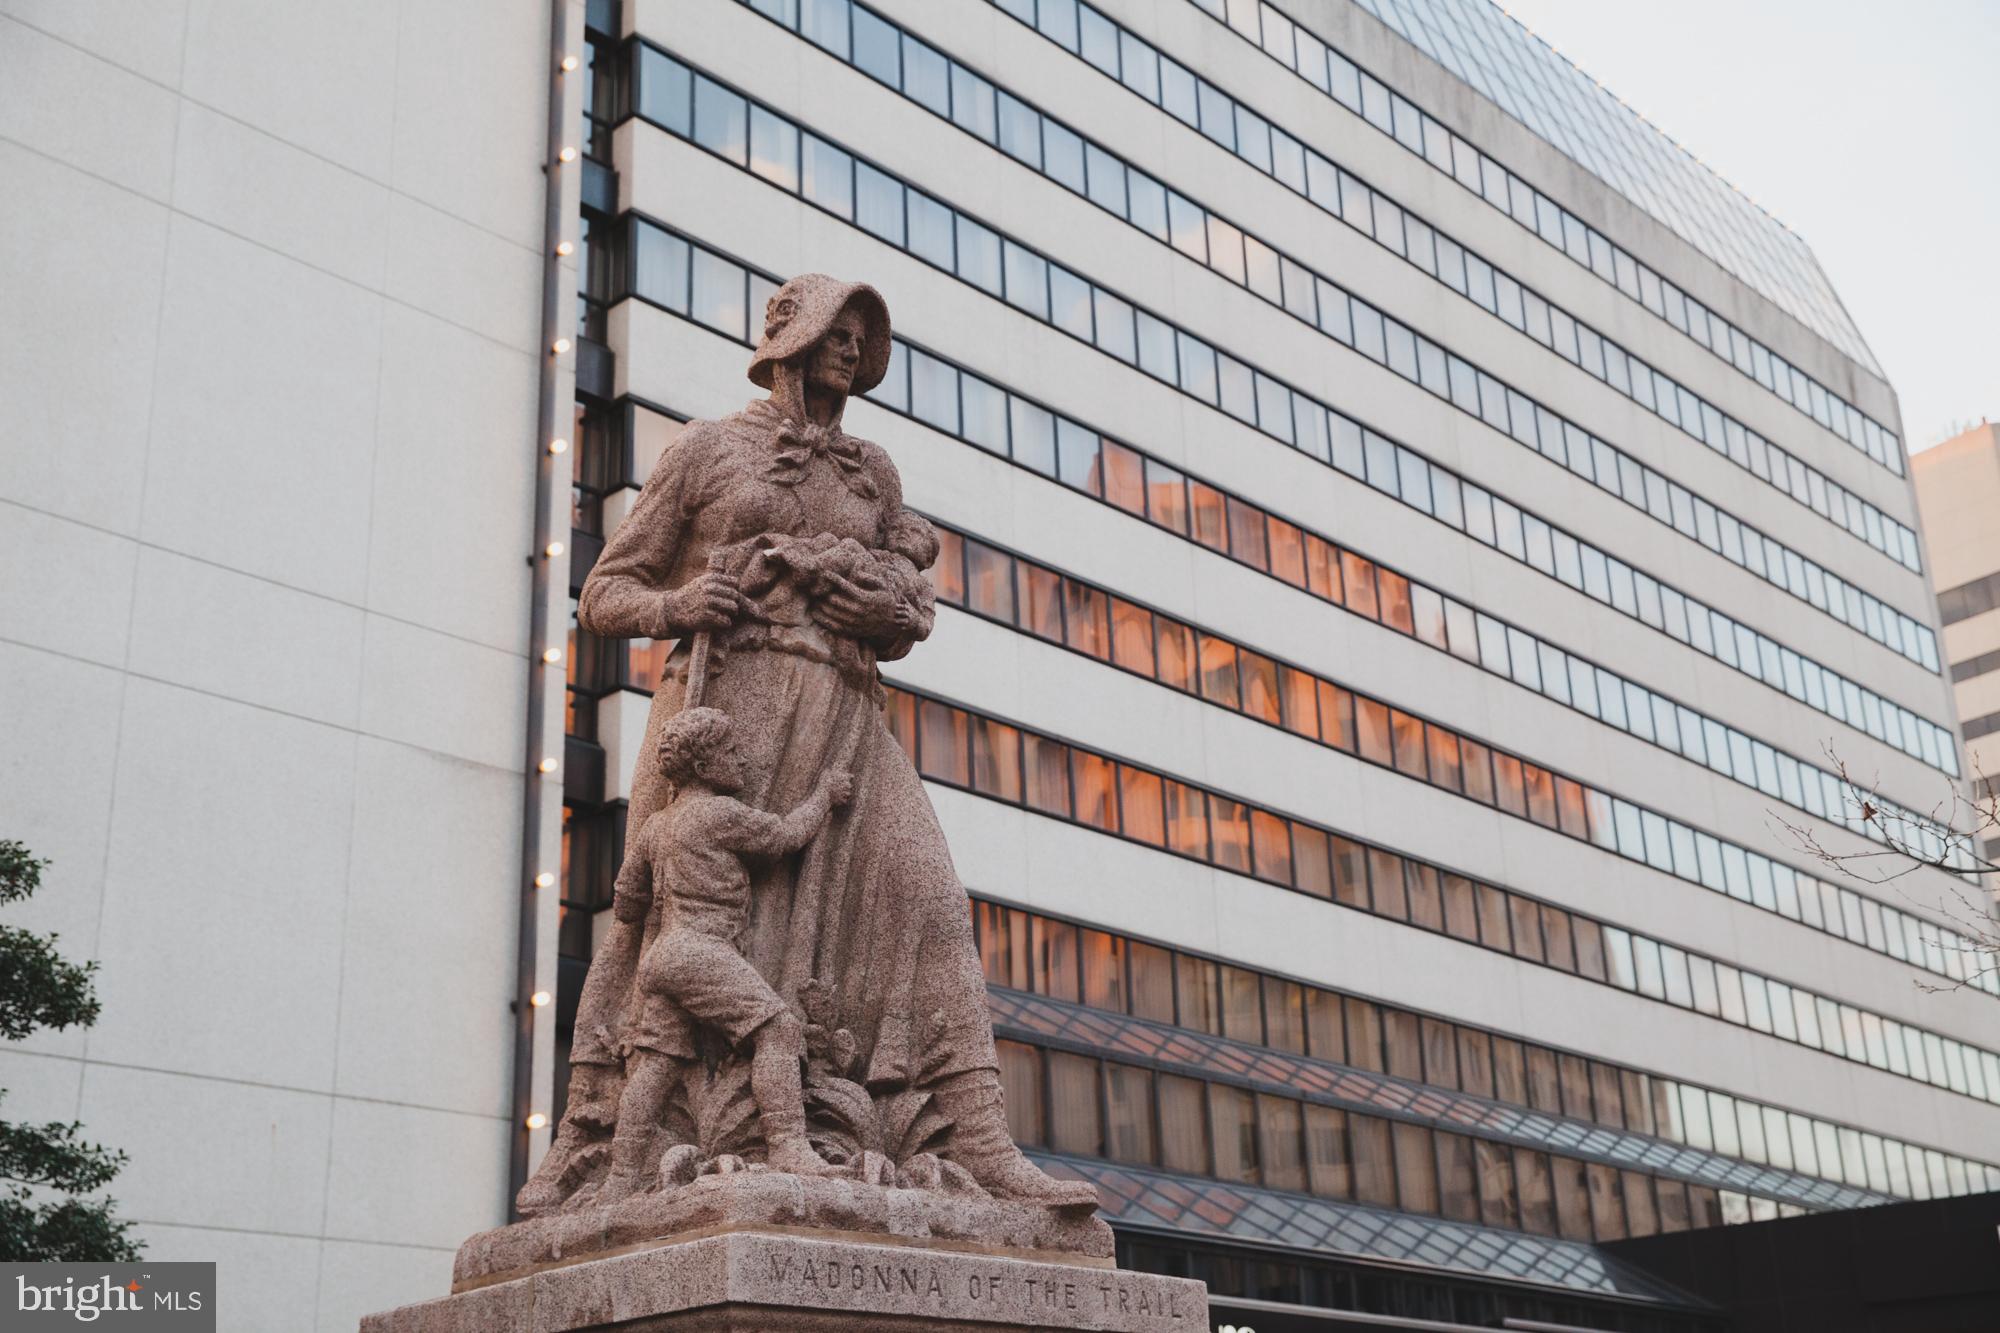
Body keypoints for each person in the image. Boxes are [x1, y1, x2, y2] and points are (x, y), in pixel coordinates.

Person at [516, 274, 1095, 1214]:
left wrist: (887, 610)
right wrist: (676, 603)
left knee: (934, 901)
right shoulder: (706, 451)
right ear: (792, 336)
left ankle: (981, 1142)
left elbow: (912, 611)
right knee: (651, 925)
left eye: (864, 335)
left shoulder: (874, 471)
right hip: (721, 715)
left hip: (844, 715)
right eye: (840, 328)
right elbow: (604, 592)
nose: (852, 348)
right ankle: (592, 1145)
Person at [596, 707, 853, 1202]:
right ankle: (789, 1147)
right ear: (703, 765)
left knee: (656, 1064)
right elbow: (784, 838)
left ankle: (620, 1179)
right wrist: (824, 796)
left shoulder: (655, 826)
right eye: (729, 752)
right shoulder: (720, 814)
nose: (741, 761)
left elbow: (627, 900)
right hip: (701, 949)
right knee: (779, 1029)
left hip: (663, 956)